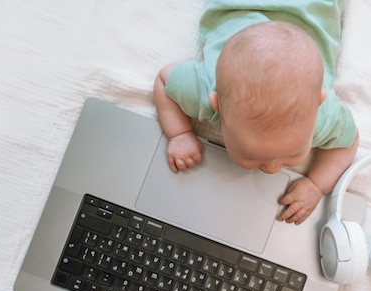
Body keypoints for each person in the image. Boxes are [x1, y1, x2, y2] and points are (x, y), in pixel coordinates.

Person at [153, 0, 359, 225]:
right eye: (249, 155)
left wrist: (317, 184)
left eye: (293, 154)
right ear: (217, 105)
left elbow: (348, 141)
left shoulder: (321, 116)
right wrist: (179, 133)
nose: (272, 169)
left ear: (319, 101)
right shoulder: (205, 91)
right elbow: (164, 80)